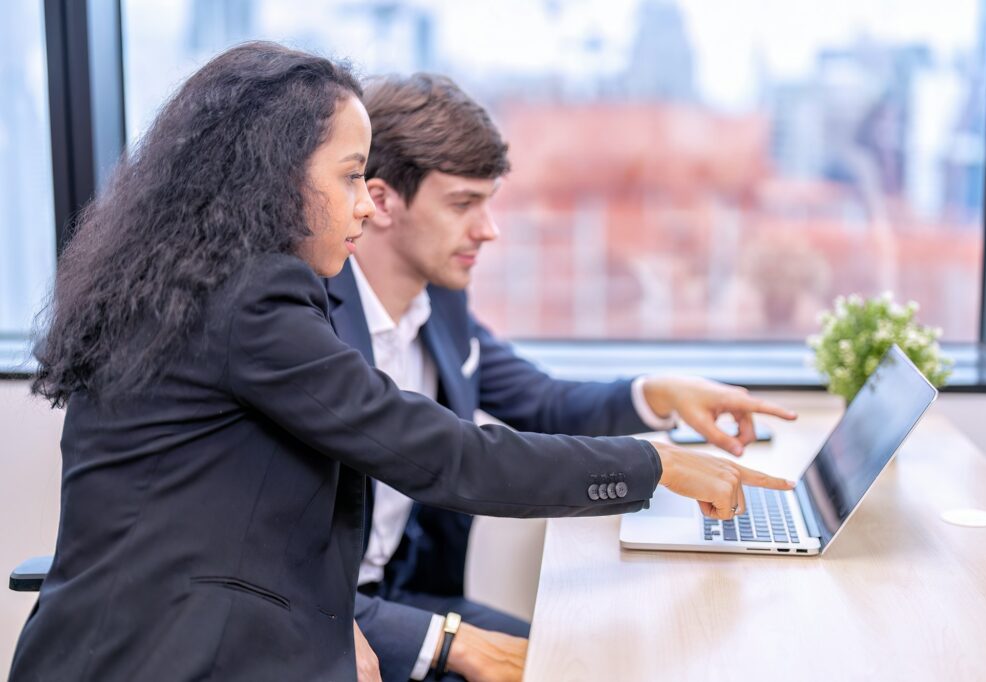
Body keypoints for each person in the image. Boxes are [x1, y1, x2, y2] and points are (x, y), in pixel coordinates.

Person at [9, 42, 794, 682]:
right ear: (272, 180)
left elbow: (521, 405)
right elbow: (441, 454)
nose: (362, 203)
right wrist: (653, 467)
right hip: (174, 656)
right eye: (350, 177)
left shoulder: (199, 286)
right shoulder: (253, 303)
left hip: (211, 629)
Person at [330, 73, 799, 681]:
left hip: (404, 595)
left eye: (490, 202)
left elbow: (541, 401)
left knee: (608, 660)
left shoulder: (439, 305)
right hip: (333, 618)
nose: (488, 229)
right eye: (463, 204)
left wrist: (661, 394)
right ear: (382, 199)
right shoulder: (312, 327)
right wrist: (441, 643)